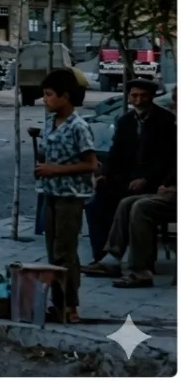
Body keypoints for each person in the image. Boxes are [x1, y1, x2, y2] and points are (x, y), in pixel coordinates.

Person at [83, 85, 177, 287]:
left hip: (157, 183)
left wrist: (160, 182)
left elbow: (168, 161)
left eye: (143, 96)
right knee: (101, 203)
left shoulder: (166, 122)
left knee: (139, 207)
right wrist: (105, 175)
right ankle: (108, 258)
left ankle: (141, 270)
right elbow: (116, 153)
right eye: (134, 96)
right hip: (131, 180)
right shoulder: (126, 121)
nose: (139, 100)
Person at [34, 69, 98, 324]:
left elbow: (91, 164)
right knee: (52, 251)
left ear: (65, 96)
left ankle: (71, 306)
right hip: (50, 193)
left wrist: (55, 170)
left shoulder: (79, 126)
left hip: (71, 196)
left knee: (65, 252)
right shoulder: (50, 121)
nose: (45, 99)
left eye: (50, 94)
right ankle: (57, 303)